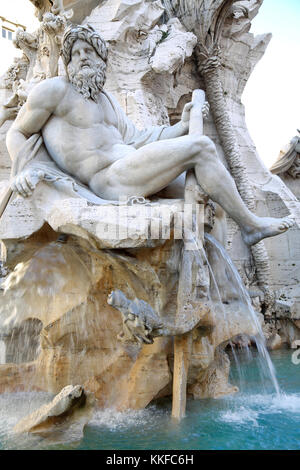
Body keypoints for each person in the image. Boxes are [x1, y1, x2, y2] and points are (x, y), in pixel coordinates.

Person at [6, 24, 294, 246]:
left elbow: (139, 139)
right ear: (67, 62)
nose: (82, 58)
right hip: (108, 180)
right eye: (76, 53)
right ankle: (251, 226)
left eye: (89, 52)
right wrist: (22, 168)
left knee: (214, 205)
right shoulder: (55, 90)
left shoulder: (107, 102)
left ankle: (215, 292)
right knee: (202, 147)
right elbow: (17, 131)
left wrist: (180, 126)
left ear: (100, 59)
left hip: (131, 169)